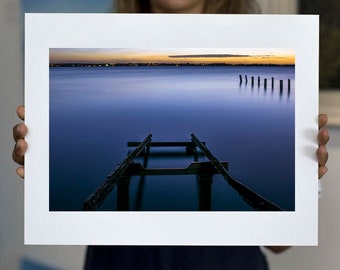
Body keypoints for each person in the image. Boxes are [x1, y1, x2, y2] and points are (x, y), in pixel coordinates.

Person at [12, 0, 330, 269]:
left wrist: (303, 183)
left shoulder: (271, 42)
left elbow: (280, 243)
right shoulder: (101, 35)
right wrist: (44, 165)